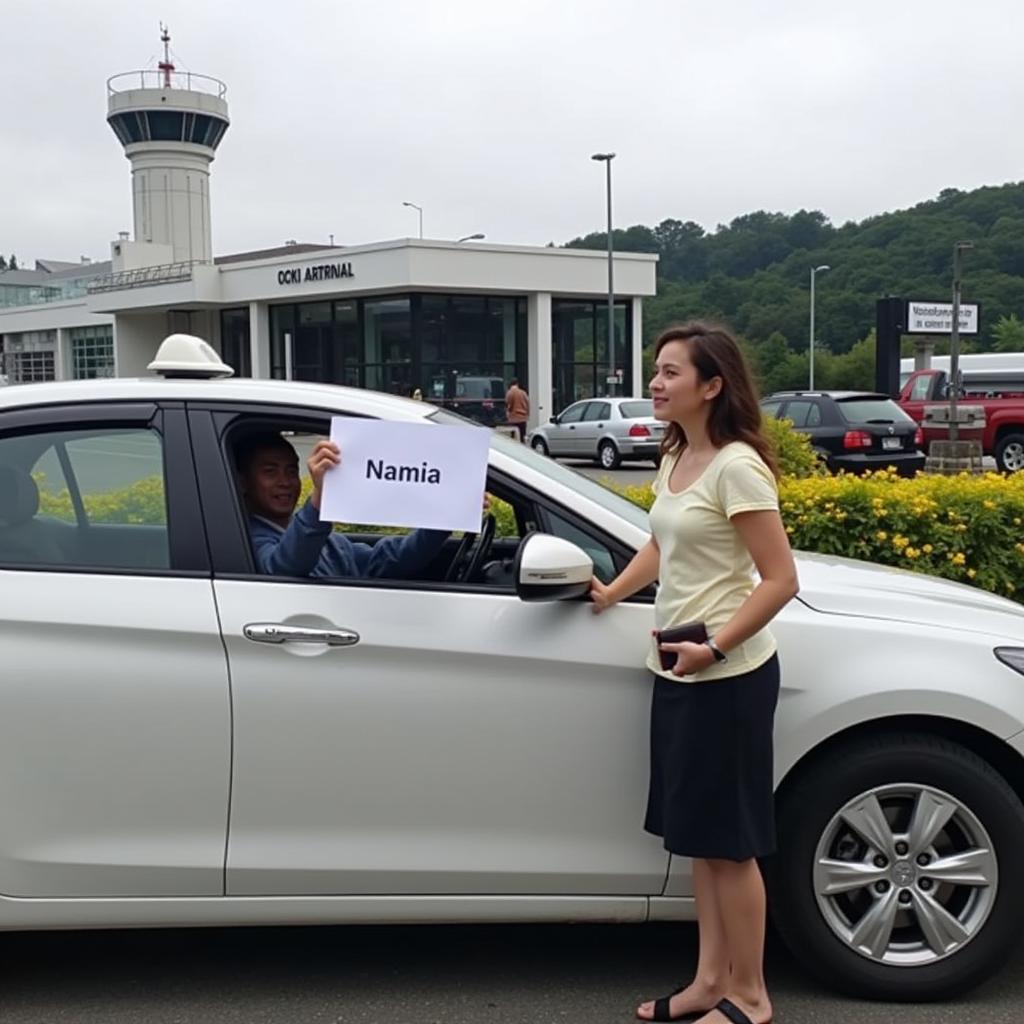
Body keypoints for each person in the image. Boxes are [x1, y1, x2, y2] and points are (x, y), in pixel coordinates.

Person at [590, 323, 798, 1024]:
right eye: (657, 370)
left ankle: (751, 995)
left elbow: (779, 580)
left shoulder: (737, 465)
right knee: (700, 839)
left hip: (728, 676)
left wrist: (716, 645)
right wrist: (612, 593)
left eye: (672, 372)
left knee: (732, 846)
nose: (656, 382)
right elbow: (660, 540)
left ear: (712, 386)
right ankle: (709, 981)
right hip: (678, 668)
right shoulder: (680, 455)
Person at [236, 431, 449, 579]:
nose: (285, 482)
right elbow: (285, 569)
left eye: (292, 471)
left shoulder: (330, 542)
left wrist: (447, 517)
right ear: (244, 482)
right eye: (270, 472)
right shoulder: (242, 542)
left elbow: (386, 561)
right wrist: (320, 498)